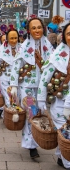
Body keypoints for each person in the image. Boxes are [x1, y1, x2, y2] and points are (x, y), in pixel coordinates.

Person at [10, 17, 54, 159]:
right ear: (29, 30)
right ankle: (31, 146)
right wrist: (14, 85)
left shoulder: (48, 46)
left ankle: (37, 139)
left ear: (43, 28)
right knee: (31, 113)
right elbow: (16, 65)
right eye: (34, 28)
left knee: (41, 114)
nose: (37, 30)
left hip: (42, 87)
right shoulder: (24, 47)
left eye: (39, 27)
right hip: (27, 87)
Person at [37, 23, 70, 169]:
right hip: (61, 105)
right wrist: (41, 99)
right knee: (65, 132)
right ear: (63, 37)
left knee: (64, 136)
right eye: (69, 34)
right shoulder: (57, 56)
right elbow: (45, 78)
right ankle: (67, 161)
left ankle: (61, 157)